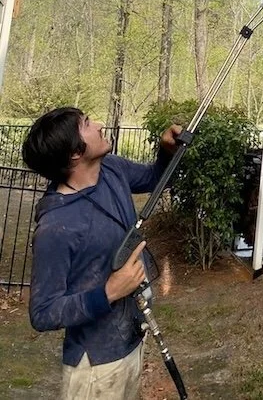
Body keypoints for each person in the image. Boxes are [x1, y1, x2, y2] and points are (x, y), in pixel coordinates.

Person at [22, 106, 182, 400]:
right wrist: (108, 292)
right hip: (95, 367)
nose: (98, 124)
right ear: (75, 153)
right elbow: (43, 313)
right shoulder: (57, 227)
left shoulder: (111, 169)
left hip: (131, 339)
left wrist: (167, 152)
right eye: (86, 123)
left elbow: (153, 179)